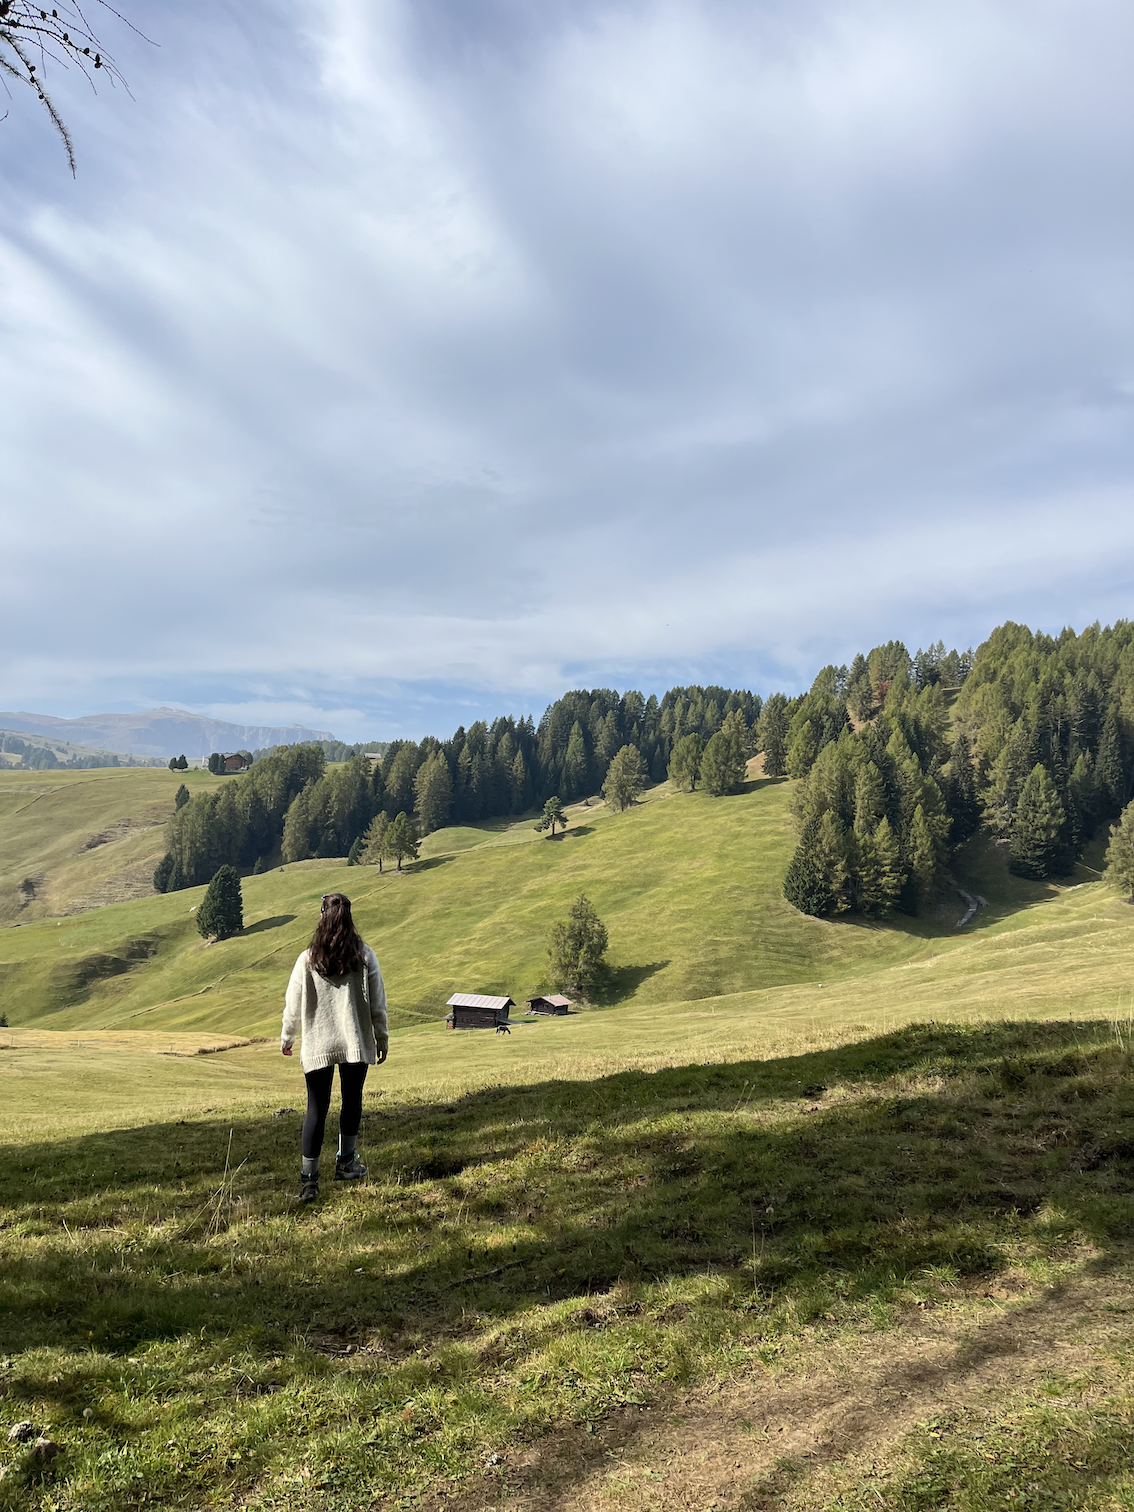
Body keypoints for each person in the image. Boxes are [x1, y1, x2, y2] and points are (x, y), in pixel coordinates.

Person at [281, 893, 388, 1203]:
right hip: (355, 1042)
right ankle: (346, 1163)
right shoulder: (365, 956)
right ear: (349, 919)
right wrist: (381, 1039)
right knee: (351, 1101)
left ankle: (309, 1181)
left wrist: (288, 1038)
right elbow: (378, 1005)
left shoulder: (307, 959)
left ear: (322, 918)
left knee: (316, 1108)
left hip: (318, 1044)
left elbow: (293, 1004)